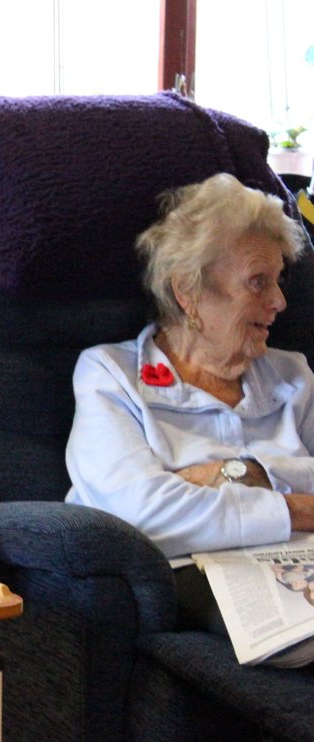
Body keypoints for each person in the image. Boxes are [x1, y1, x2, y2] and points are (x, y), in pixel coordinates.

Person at [65, 172, 311, 647]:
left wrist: (234, 473)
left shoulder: (293, 376)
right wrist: (297, 506)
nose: (279, 301)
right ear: (188, 293)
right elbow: (139, 513)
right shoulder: (110, 376)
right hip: (209, 586)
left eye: (279, 281)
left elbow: (165, 501)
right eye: (258, 282)